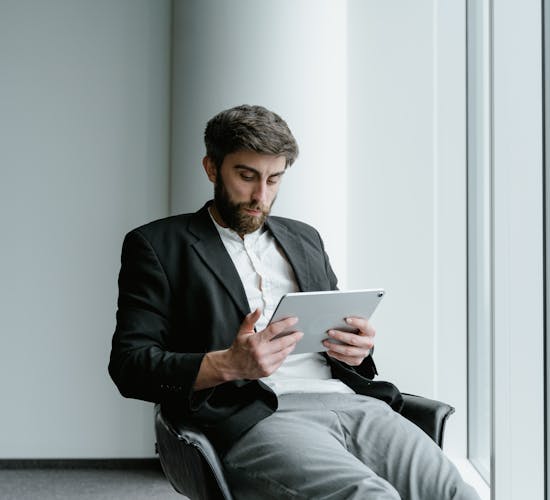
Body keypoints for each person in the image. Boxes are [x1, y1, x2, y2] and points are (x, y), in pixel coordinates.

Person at [109, 104, 479, 499]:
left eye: (274, 179)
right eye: (246, 176)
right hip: (256, 414)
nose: (260, 195)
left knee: (456, 493)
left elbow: (334, 335)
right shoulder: (158, 245)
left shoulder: (305, 239)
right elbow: (129, 366)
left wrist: (355, 349)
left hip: (354, 404)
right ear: (212, 168)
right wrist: (228, 365)